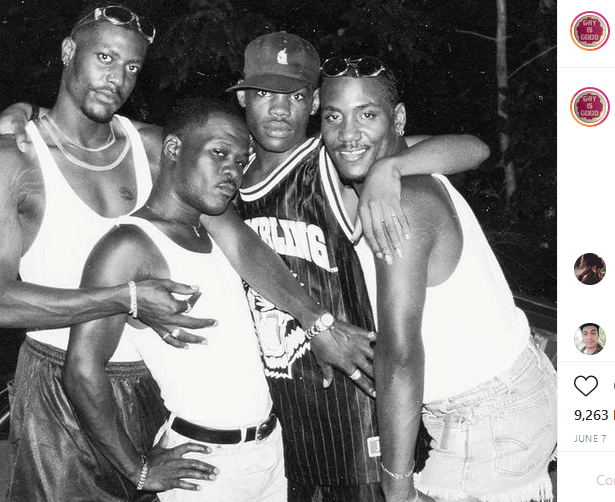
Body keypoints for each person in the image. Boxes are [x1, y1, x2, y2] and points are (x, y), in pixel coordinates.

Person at [0, 5, 374, 500]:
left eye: (132, 67)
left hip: (157, 385)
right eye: (105, 58)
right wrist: (127, 298)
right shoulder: (12, 160)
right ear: (68, 52)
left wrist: (316, 321)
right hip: (61, 383)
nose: (116, 78)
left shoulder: (155, 146)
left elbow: (240, 243)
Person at [228, 33, 489, 501]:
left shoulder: (336, 160)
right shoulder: (230, 177)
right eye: (265, 94)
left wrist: (393, 170)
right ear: (244, 96)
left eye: (295, 96)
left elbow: (472, 148)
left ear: (312, 105)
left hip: (362, 422)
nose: (280, 110)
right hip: (290, 424)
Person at [319, 59, 556, 502]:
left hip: (487, 416)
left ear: (398, 119)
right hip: (512, 389)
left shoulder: (403, 201)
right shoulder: (393, 163)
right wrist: (386, 169)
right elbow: (473, 148)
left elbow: (401, 354)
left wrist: (397, 485)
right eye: (334, 117)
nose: (348, 133)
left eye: (366, 114)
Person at [65, 98, 285, 502]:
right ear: (172, 150)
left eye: (241, 160)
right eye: (219, 153)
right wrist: (138, 469)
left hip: (271, 453)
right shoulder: (130, 244)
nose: (233, 171)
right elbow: (80, 368)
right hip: (204, 468)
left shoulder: (217, 232)